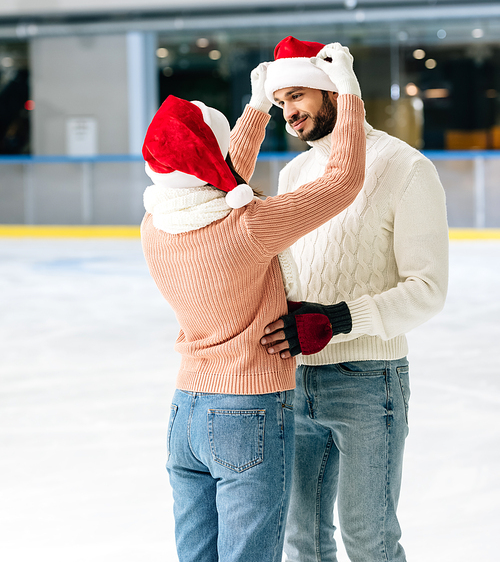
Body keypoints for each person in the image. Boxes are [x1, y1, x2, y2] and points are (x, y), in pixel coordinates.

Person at [140, 44, 366, 562]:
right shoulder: (247, 228)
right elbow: (345, 180)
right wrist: (348, 92)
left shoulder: (155, 225)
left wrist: (256, 106)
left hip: (186, 416)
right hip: (246, 413)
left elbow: (215, 173)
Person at [260, 36, 449, 562]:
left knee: (369, 541)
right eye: (280, 103)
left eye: (297, 96)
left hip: (369, 383)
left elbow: (428, 290)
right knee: (302, 541)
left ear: (332, 91)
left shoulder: (404, 167)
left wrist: (341, 319)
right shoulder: (294, 174)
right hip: (295, 376)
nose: (289, 113)